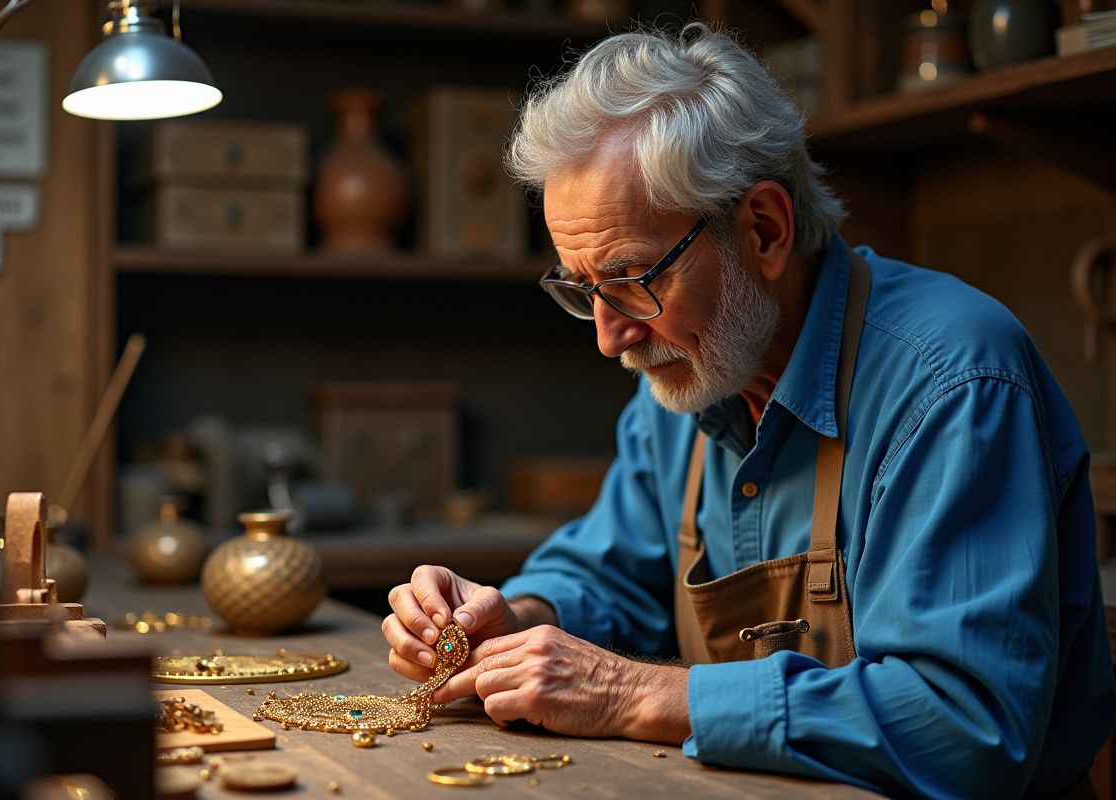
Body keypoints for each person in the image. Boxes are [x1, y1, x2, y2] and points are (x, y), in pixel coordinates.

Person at [382, 23, 1116, 799]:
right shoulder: (684, 372)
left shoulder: (953, 380)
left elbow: (964, 728)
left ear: (763, 230)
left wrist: (636, 693)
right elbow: (613, 573)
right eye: (583, 289)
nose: (610, 337)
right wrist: (513, 617)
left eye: (634, 278)